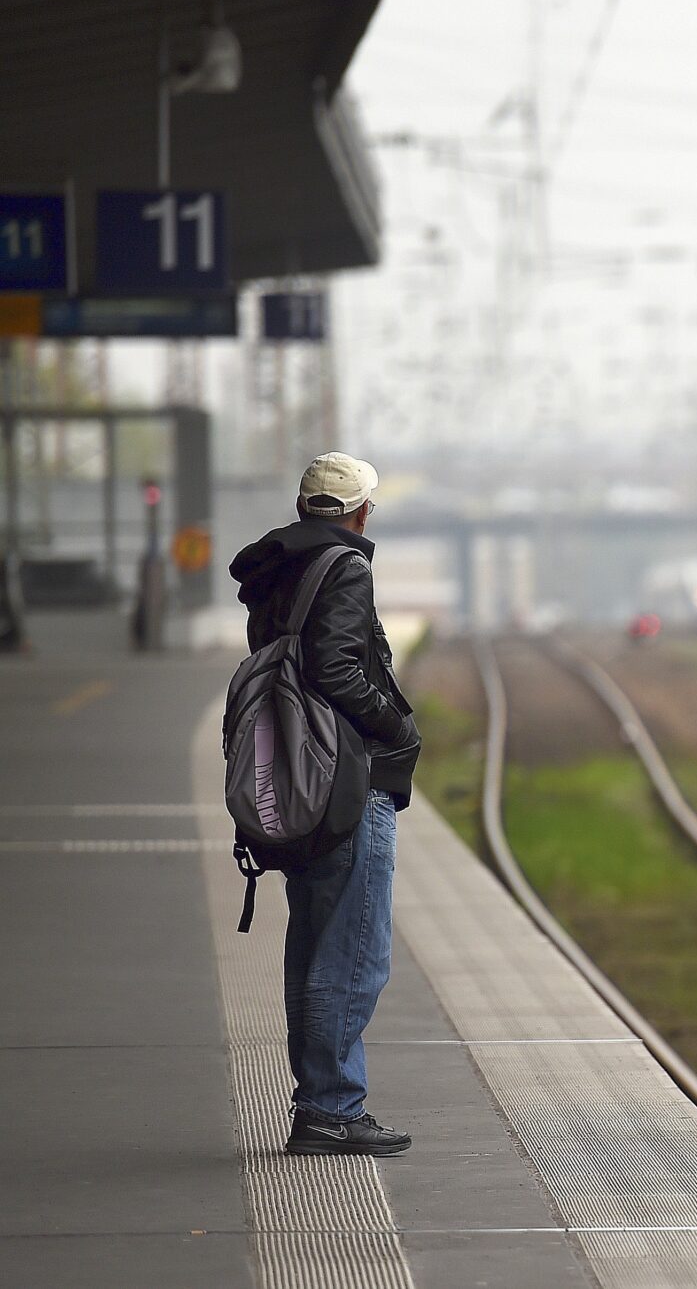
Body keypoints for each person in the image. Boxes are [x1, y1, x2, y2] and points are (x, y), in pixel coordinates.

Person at [228, 453, 419, 1156]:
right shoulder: (346, 566)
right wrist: (395, 726)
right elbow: (337, 665)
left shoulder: (278, 568)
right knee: (354, 949)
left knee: (313, 945)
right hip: (346, 779)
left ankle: (319, 1103)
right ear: (361, 511)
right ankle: (333, 1106)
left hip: (298, 776)